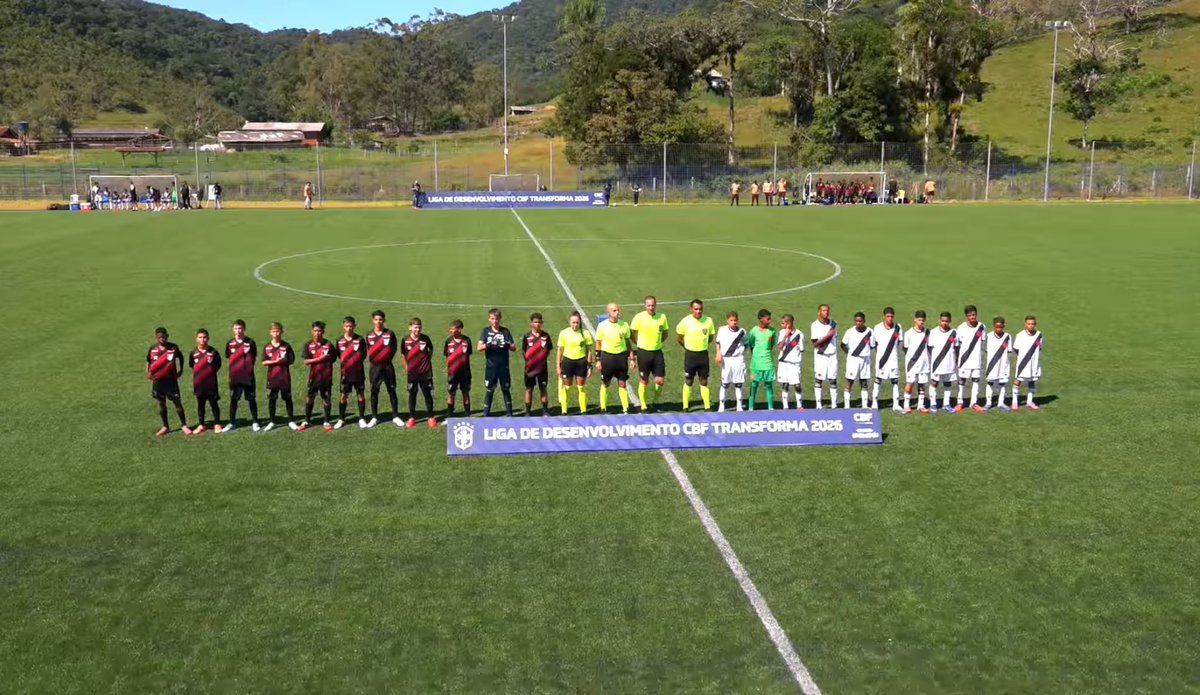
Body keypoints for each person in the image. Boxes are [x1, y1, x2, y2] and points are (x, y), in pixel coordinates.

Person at [147, 327, 191, 436]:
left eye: (163, 336)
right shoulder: (152, 348)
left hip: (171, 380)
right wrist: (148, 372)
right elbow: (148, 360)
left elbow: (180, 357)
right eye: (159, 337)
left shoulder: (173, 347)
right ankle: (165, 426)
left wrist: (180, 370)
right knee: (161, 404)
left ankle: (184, 425)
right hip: (158, 381)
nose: (162, 339)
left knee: (177, 403)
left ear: (167, 336)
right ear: (156, 337)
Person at [630, 296, 669, 413]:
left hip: (657, 352)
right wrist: (638, 342)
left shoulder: (662, 317)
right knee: (644, 380)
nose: (651, 307)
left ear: (655, 305)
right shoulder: (639, 317)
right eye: (648, 305)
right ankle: (643, 405)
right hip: (644, 353)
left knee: (660, 380)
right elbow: (632, 332)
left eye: (653, 305)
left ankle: (655, 402)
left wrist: (658, 342)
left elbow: (665, 333)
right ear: (645, 306)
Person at [365, 310, 403, 428]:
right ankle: (374, 417)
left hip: (387, 367)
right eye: (376, 319)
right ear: (373, 321)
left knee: (392, 390)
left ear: (384, 320)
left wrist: (387, 358)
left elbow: (394, 347)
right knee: (374, 392)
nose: (378, 322)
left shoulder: (390, 333)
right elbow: (368, 349)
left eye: (380, 319)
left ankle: (395, 416)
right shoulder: (369, 335)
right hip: (374, 368)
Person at [677, 299, 716, 411]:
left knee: (704, 381)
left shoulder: (708, 321)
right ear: (691, 309)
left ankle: (707, 406)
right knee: (689, 380)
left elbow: (710, 337)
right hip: (690, 355)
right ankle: (685, 406)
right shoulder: (685, 321)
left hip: (703, 355)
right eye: (696, 309)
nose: (698, 311)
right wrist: (687, 347)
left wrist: (702, 345)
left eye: (700, 309)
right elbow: (679, 338)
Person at [595, 303, 634, 415]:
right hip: (607, 358)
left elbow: (628, 343)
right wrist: (598, 360)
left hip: (621, 358)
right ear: (609, 313)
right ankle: (603, 408)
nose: (617, 312)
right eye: (614, 311)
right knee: (606, 383)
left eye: (618, 310)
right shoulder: (602, 326)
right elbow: (598, 343)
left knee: (622, 383)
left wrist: (632, 358)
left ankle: (625, 408)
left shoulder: (624, 325)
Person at [478, 308, 516, 417]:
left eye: (497, 319)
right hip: (491, 367)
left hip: (504, 367)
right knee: (490, 390)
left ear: (500, 319)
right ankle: (486, 414)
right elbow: (479, 347)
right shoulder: (485, 331)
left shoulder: (505, 331)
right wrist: (489, 344)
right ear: (489, 319)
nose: (495, 321)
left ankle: (509, 414)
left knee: (506, 389)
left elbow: (514, 347)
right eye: (492, 319)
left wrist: (506, 344)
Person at [223, 319, 260, 432]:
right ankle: (232, 422)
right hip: (235, 377)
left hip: (248, 377)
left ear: (244, 329)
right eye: (236, 328)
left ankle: (255, 422)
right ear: (233, 330)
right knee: (234, 399)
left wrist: (247, 369)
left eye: (240, 328)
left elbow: (253, 357)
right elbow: (228, 357)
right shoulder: (230, 343)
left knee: (251, 399)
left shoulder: (250, 342)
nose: (238, 331)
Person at [299, 321, 336, 431]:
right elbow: (306, 362)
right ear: (312, 331)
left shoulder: (329, 345)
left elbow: (333, 359)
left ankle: (326, 421)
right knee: (310, 398)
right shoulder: (308, 345)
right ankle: (307, 420)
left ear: (323, 332)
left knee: (326, 398)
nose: (317, 333)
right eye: (315, 331)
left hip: (326, 377)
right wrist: (320, 359)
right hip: (313, 377)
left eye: (319, 331)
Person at [261, 322, 297, 432]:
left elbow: (291, 360)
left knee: (288, 399)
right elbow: (263, 362)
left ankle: (291, 421)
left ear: (282, 332)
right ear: (270, 332)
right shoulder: (267, 347)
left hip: (284, 377)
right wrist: (275, 361)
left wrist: (282, 361)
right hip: (272, 378)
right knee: (272, 399)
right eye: (274, 331)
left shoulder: (286, 346)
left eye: (278, 331)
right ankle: (272, 421)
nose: (276, 334)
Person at [556, 311, 594, 414]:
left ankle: (583, 410)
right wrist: (558, 366)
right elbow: (560, 351)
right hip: (567, 363)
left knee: (581, 387)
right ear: (569, 322)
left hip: (581, 363)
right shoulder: (564, 333)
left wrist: (589, 366)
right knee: (567, 387)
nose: (575, 325)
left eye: (577, 322)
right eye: (573, 322)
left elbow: (589, 350)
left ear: (580, 322)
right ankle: (564, 410)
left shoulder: (585, 333)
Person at [402, 318, 437, 428]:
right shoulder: (405, 339)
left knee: (427, 394)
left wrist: (426, 361)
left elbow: (431, 350)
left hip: (425, 372)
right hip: (412, 373)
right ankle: (412, 417)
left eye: (419, 327)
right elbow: (403, 354)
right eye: (415, 327)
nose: (417, 329)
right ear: (410, 327)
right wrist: (407, 367)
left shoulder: (425, 338)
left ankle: (431, 417)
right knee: (412, 394)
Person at [335, 316, 368, 429]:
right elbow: (339, 355)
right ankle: (341, 419)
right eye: (346, 326)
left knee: (361, 394)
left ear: (354, 326)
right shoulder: (339, 340)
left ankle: (361, 418)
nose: (349, 328)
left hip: (358, 372)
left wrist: (354, 363)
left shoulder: (360, 340)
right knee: (343, 395)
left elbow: (364, 354)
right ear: (343, 327)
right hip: (345, 373)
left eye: (350, 326)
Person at [870, 308, 904, 412]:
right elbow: (874, 344)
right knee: (878, 380)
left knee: (895, 381)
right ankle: (874, 403)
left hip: (893, 359)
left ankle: (896, 404)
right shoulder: (877, 328)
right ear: (884, 316)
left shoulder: (898, 327)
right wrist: (882, 354)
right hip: (881, 360)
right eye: (888, 316)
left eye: (891, 316)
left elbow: (899, 342)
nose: (890, 318)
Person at [189, 328, 222, 434]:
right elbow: (192, 366)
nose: (202, 339)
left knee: (214, 404)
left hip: (211, 383)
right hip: (199, 383)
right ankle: (201, 425)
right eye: (200, 337)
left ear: (208, 338)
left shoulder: (213, 352)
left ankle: (217, 424)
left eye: (204, 337)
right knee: (200, 405)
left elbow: (218, 365)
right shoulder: (193, 353)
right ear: (196, 339)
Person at [955, 305, 987, 413]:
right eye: (970, 315)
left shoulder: (982, 327)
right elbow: (957, 344)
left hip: (976, 359)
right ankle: (960, 402)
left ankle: (974, 403)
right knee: (962, 381)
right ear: (966, 316)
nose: (972, 317)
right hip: (964, 359)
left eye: (974, 315)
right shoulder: (961, 328)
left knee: (976, 380)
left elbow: (983, 342)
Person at [714, 311, 747, 413]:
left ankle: (739, 406)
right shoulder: (722, 330)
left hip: (738, 360)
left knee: (738, 384)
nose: (733, 322)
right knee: (725, 384)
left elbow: (746, 343)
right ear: (727, 321)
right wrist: (718, 353)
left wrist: (739, 352)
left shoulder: (742, 331)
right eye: (731, 320)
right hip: (726, 360)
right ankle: (721, 406)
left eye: (735, 320)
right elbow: (718, 342)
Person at [521, 313, 553, 416]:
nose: (537, 324)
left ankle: (545, 411)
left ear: (542, 323)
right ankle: (528, 411)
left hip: (542, 368)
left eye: (539, 322)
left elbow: (548, 350)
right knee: (529, 389)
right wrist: (530, 362)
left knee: (543, 388)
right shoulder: (527, 336)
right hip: (530, 368)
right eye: (535, 322)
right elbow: (523, 351)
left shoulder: (546, 336)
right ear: (531, 323)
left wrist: (541, 360)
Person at [745, 309, 777, 410]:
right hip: (756, 363)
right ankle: (751, 407)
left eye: (770, 318)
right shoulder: (754, 331)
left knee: (769, 385)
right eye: (768, 319)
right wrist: (756, 354)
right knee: (754, 385)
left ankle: (771, 407)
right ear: (761, 319)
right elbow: (751, 343)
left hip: (767, 363)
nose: (770, 321)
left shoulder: (772, 331)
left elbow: (771, 345)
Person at [840, 312, 873, 409]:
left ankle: (864, 405)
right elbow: (843, 345)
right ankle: (847, 406)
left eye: (860, 321)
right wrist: (850, 353)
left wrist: (865, 352)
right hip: (853, 360)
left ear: (864, 321)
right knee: (850, 381)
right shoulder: (849, 331)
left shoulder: (870, 332)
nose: (858, 323)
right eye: (856, 321)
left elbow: (872, 345)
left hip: (865, 359)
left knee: (864, 382)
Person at [1011, 315, 1043, 411]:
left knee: (1032, 381)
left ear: (1035, 324)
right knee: (1018, 380)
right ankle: (1015, 402)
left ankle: (1029, 401)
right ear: (1025, 324)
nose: (1031, 326)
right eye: (1029, 324)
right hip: (1023, 363)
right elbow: (1016, 349)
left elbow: (1039, 348)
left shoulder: (1039, 335)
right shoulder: (1020, 335)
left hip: (1034, 363)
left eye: (1033, 324)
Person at [928, 312, 959, 413]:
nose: (944, 323)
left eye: (946, 321)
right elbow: (929, 347)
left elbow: (956, 347)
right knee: (934, 383)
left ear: (950, 321)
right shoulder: (933, 332)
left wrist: (956, 361)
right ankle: (933, 404)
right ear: (939, 320)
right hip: (937, 363)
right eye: (942, 321)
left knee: (948, 383)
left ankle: (946, 404)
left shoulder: (954, 332)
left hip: (950, 363)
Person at [902, 311, 932, 414]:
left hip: (924, 363)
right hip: (912, 363)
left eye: (923, 320)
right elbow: (905, 348)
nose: (921, 322)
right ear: (915, 320)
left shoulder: (927, 332)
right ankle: (906, 405)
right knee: (910, 383)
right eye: (919, 320)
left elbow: (929, 346)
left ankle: (920, 405)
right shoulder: (908, 333)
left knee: (922, 384)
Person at [810, 304, 839, 409]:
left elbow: (835, 338)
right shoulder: (815, 325)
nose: (826, 312)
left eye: (827, 310)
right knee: (819, 379)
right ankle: (818, 404)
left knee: (833, 380)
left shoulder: (834, 323)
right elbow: (815, 344)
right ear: (819, 312)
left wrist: (830, 335)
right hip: (820, 355)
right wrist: (828, 336)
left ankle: (834, 404)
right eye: (823, 310)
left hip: (832, 355)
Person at [983, 317, 1014, 411]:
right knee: (990, 383)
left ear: (1004, 326)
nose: (999, 329)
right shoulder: (989, 336)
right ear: (994, 326)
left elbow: (1009, 351)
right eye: (997, 327)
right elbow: (986, 350)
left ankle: (1001, 403)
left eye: (1001, 327)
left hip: (1003, 365)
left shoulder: (1008, 337)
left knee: (1002, 383)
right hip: (992, 364)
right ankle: (988, 403)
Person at [445, 320, 473, 416]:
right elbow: (447, 356)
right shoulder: (448, 341)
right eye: (450, 328)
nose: (451, 330)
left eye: (453, 329)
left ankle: (467, 414)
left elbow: (468, 354)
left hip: (465, 373)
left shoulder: (467, 340)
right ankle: (450, 414)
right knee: (451, 393)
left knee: (465, 393)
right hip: (452, 373)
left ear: (460, 329)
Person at [776, 314, 804, 409]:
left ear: (788, 323)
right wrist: (786, 336)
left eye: (783, 323)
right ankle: (785, 406)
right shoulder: (782, 333)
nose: (781, 325)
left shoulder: (799, 334)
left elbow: (801, 349)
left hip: (794, 364)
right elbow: (780, 346)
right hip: (783, 362)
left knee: (797, 385)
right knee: (785, 384)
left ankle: (799, 405)